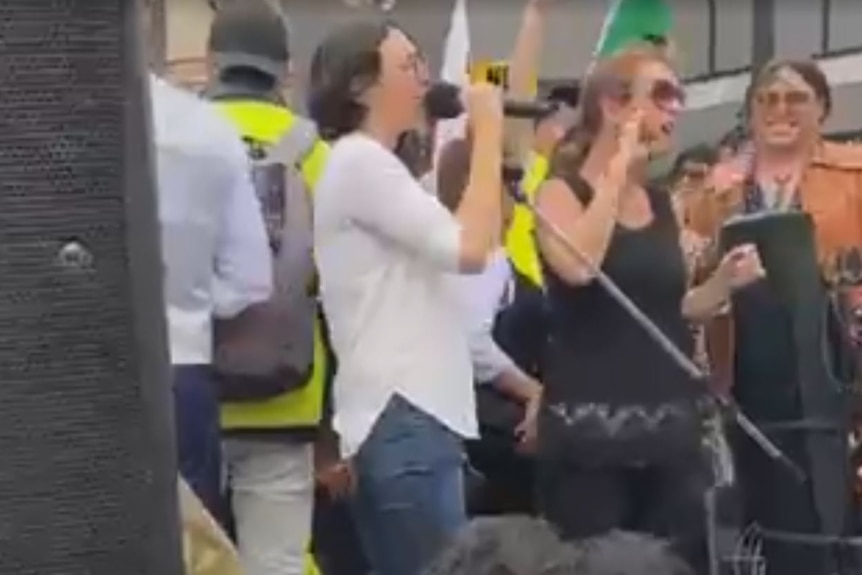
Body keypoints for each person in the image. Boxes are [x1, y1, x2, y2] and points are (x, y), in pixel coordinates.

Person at [531, 47, 764, 572]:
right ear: (614, 106)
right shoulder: (558, 192)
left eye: (678, 95)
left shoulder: (661, 204)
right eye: (661, 94)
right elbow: (578, 265)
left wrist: (724, 280)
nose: (675, 107)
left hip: (670, 432)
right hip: (592, 436)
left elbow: (671, 310)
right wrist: (616, 168)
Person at [307, 19, 505, 575]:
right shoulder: (359, 161)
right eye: (408, 66)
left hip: (412, 419)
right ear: (360, 86)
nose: (423, 79)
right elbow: (469, 247)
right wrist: (487, 132)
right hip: (404, 415)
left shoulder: (380, 168)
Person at [202, 3, 330, 575]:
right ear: (286, 69)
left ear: (212, 62)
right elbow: (335, 286)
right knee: (277, 561)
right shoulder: (314, 152)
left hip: (191, 390)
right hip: (289, 394)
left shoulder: (175, 139)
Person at [148, 68, 272, 520]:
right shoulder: (206, 129)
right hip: (182, 367)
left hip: (61, 374)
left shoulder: (36, 120)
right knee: (190, 542)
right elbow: (251, 276)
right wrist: (192, 301)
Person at [436, 137, 546, 516]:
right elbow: (471, 341)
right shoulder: (481, 254)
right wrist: (532, 391)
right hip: (498, 434)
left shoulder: (443, 249)